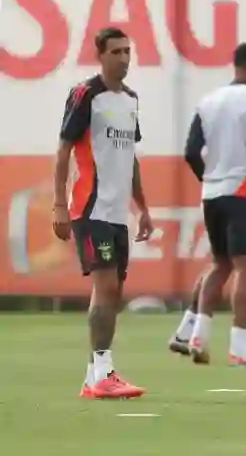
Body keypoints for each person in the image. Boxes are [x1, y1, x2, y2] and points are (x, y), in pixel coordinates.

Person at [169, 48, 246, 360]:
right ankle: (239, 346)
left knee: (221, 264)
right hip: (243, 191)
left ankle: (197, 337)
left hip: (212, 193)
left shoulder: (208, 101)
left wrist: (209, 177)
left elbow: (192, 151)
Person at [55, 27, 154, 399]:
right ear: (101, 55)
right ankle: (104, 371)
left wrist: (142, 208)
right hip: (89, 209)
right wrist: (59, 204)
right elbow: (64, 150)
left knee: (113, 293)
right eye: (116, 52)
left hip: (118, 213)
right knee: (106, 285)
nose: (124, 58)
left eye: (128, 51)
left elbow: (131, 159)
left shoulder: (130, 99)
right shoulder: (85, 95)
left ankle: (92, 377)